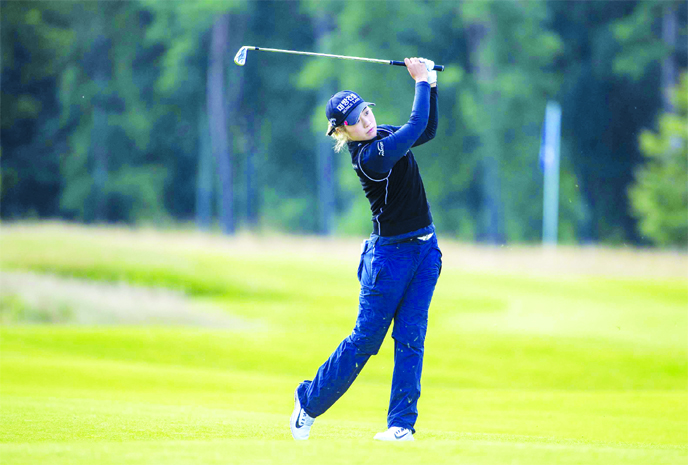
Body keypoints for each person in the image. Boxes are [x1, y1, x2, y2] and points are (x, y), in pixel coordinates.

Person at [290, 57, 442, 442]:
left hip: (425, 250)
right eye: (357, 120)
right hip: (389, 259)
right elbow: (415, 125)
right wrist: (420, 82)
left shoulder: (381, 136)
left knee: (411, 337)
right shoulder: (370, 158)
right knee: (366, 340)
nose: (368, 121)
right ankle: (308, 401)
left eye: (367, 111)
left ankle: (401, 426)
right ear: (343, 131)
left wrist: (433, 86)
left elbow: (426, 131)